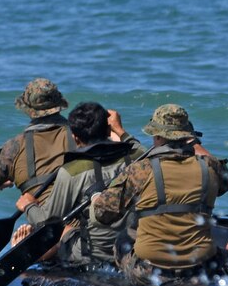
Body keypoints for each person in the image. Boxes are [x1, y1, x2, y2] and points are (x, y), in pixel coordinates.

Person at [91, 104, 228, 286]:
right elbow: (226, 183)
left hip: (152, 272)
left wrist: (96, 198)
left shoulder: (141, 169)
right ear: (188, 136)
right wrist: (193, 143)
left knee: (124, 238)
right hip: (199, 267)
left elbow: (103, 214)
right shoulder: (211, 167)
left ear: (157, 136)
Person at [10, 102, 146, 265]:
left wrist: (28, 206)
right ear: (108, 129)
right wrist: (121, 130)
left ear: (75, 137)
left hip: (94, 254)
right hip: (131, 246)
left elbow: (47, 222)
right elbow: (140, 148)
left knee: (62, 232)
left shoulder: (71, 172)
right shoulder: (137, 158)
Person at [0, 78, 74, 210]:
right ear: (59, 104)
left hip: (42, 219)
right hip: (82, 216)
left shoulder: (13, 148)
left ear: (28, 109)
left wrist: (1, 183)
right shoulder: (82, 134)